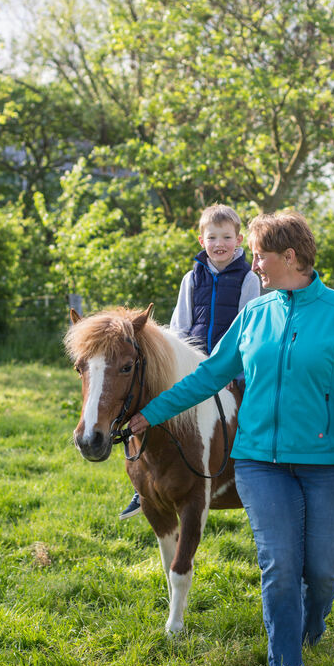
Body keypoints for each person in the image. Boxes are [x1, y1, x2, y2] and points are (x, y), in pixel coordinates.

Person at [128, 210, 334, 666]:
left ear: (290, 256)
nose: (254, 265)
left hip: (326, 464)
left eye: (259, 256)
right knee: (280, 566)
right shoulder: (257, 313)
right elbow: (209, 375)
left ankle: (309, 628)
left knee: (321, 572)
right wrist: (152, 413)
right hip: (260, 462)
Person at [119, 203, 261, 519]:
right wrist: (179, 363)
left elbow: (247, 326)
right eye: (212, 237)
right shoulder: (192, 278)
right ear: (201, 241)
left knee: (250, 407)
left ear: (239, 240)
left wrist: (224, 366)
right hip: (193, 367)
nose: (219, 244)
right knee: (155, 408)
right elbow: (180, 326)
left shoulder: (249, 279)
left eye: (227, 237)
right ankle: (143, 483)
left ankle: (250, 469)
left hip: (232, 366)